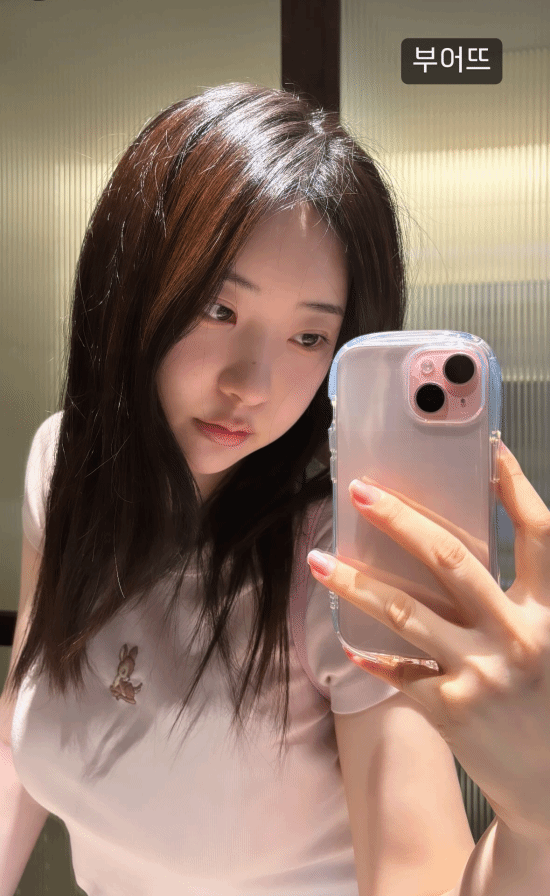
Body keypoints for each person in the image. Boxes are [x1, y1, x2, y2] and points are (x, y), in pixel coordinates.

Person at [1, 82, 549, 896]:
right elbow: (20, 728)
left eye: (309, 336)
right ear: (130, 287)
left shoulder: (344, 559)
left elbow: (417, 877)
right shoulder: (64, 465)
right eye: (218, 309)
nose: (251, 385)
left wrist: (536, 817)